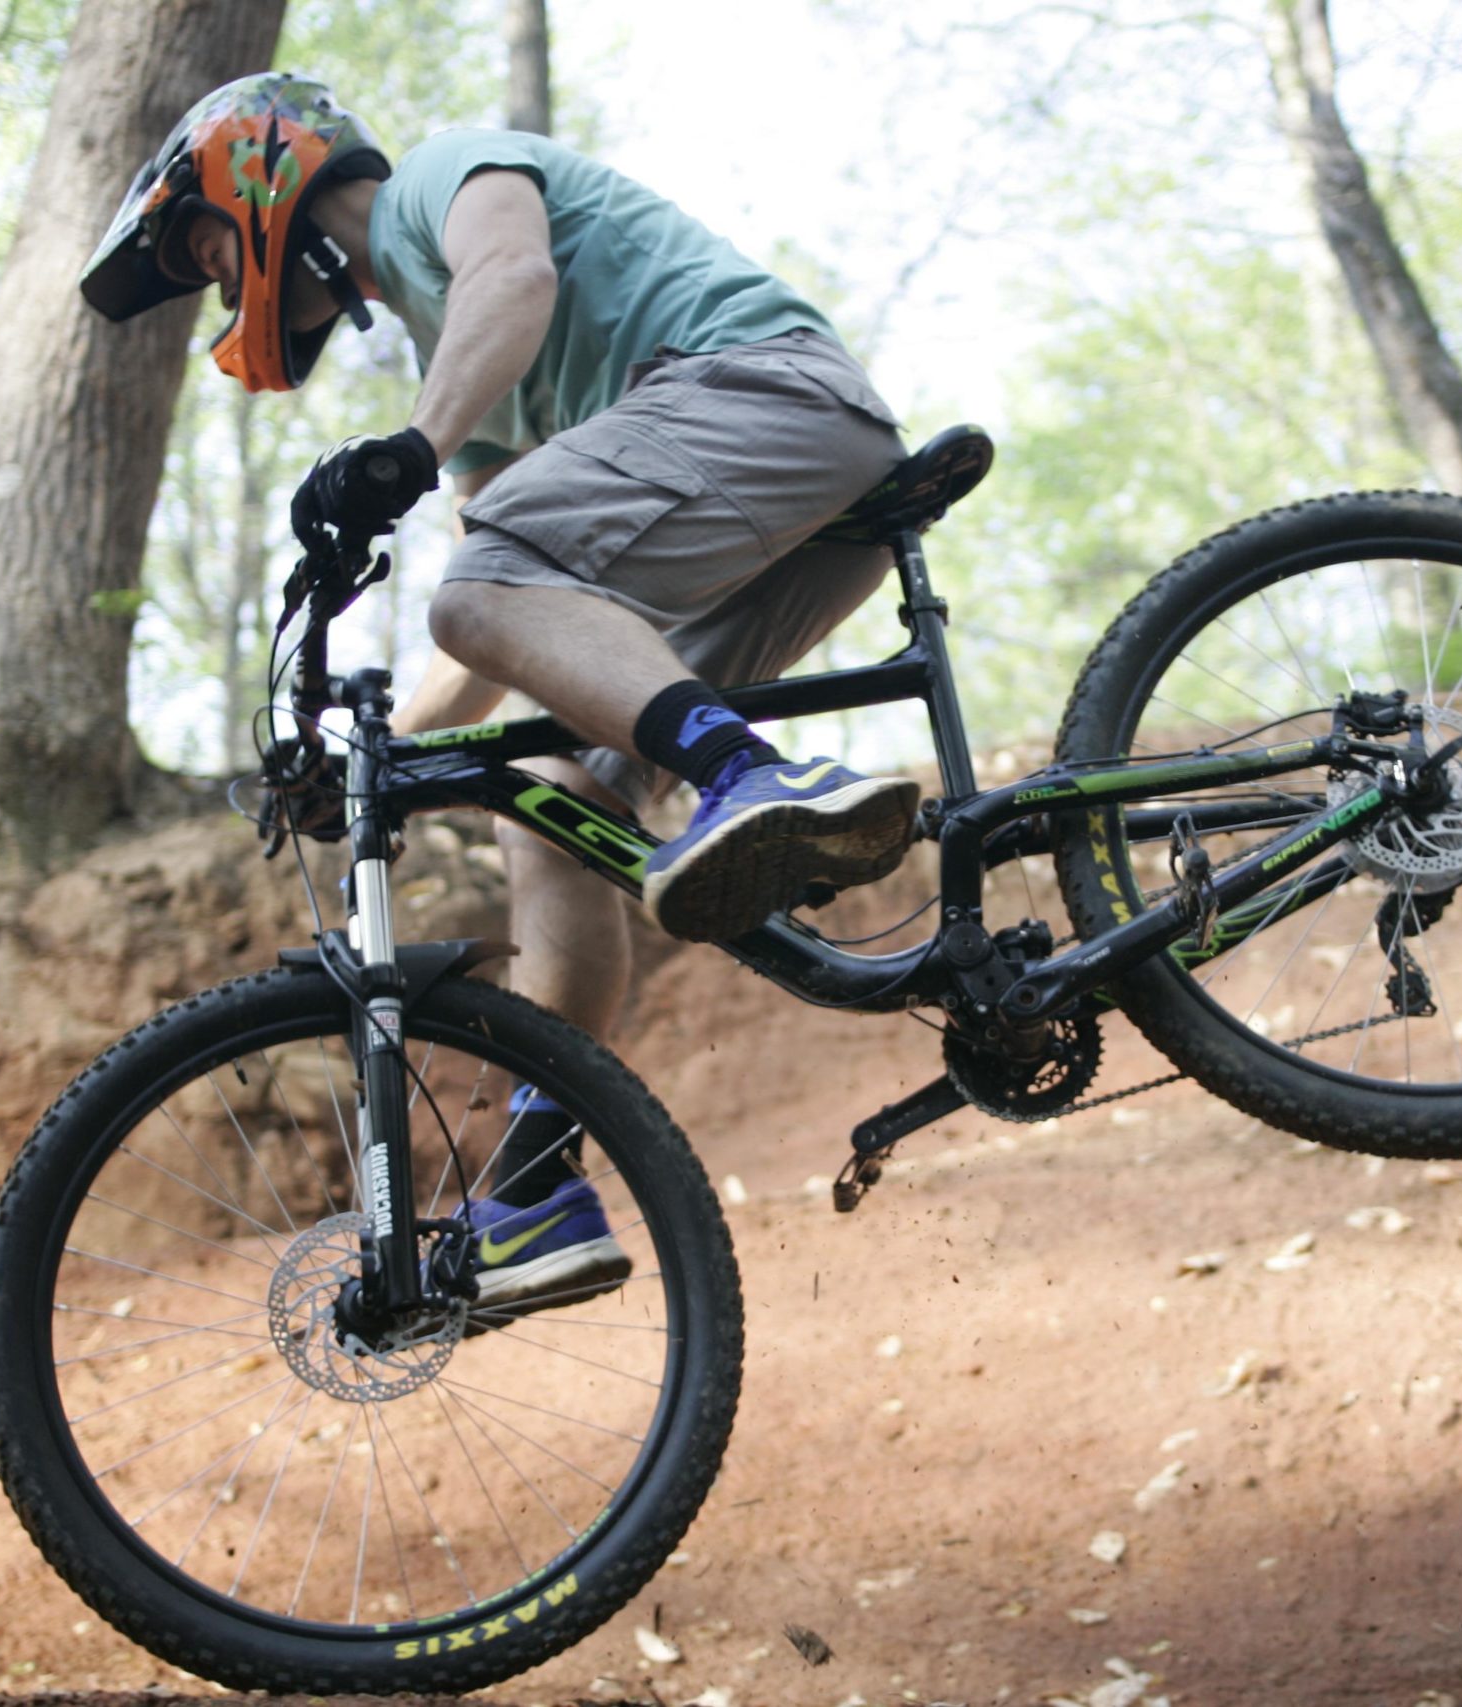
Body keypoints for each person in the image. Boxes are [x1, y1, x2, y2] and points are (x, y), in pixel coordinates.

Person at [81, 73, 919, 1307]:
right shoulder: (452, 354)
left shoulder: (441, 179)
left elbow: (515, 287)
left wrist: (409, 451)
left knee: (481, 582)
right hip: (792, 504)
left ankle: (746, 773)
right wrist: (382, 768)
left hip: (772, 399)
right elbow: (508, 624)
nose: (220, 281)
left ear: (263, 175)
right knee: (556, 789)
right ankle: (537, 1186)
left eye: (206, 243)